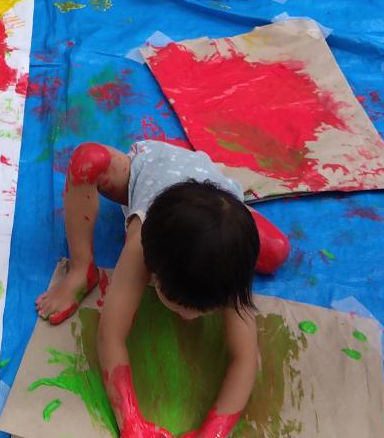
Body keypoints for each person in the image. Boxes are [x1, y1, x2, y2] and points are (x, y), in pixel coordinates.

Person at [35, 141, 289, 438]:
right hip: (154, 166)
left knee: (276, 252)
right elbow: (110, 336)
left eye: (205, 310)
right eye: (177, 303)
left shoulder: (232, 269)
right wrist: (130, 423)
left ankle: (213, 183)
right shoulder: (141, 246)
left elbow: (244, 359)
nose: (187, 318)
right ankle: (81, 270)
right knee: (88, 159)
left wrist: (213, 433)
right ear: (153, 269)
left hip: (215, 195)